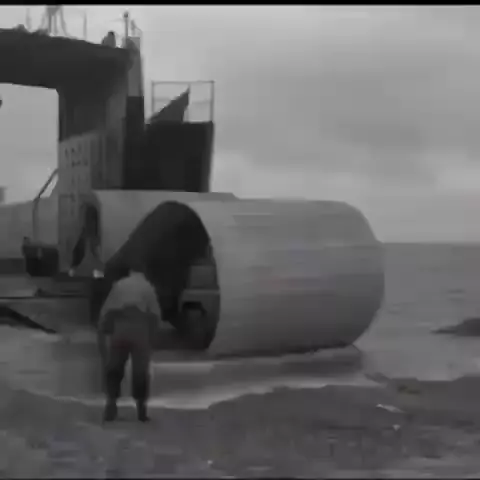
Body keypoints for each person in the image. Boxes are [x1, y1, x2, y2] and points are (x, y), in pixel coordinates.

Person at [97, 266, 161, 422]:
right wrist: (153, 337)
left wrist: (103, 331)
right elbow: (155, 314)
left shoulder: (119, 285)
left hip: (120, 328)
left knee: (115, 367)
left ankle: (111, 405)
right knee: (140, 370)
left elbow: (105, 311)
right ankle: (141, 409)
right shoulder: (147, 287)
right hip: (140, 329)